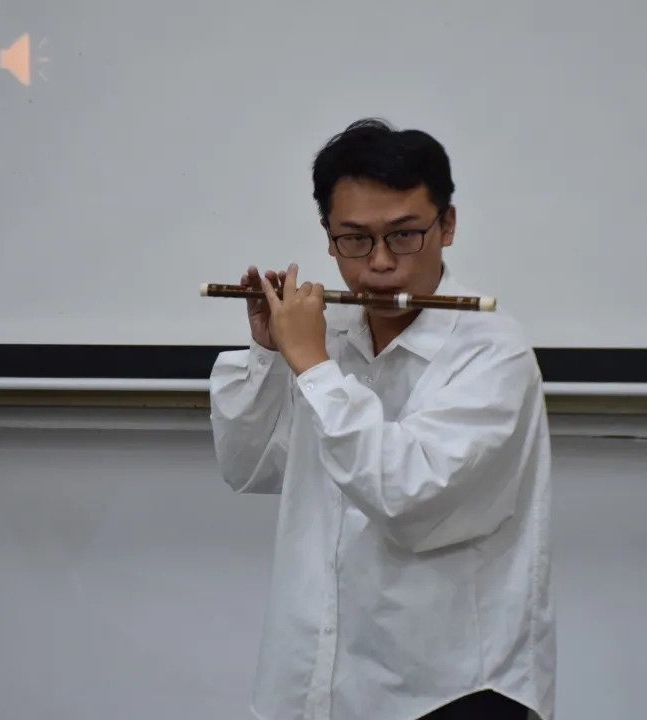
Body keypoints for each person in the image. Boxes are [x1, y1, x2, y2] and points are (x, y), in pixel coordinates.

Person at [209, 118, 554, 720]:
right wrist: (268, 351)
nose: (380, 263)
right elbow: (248, 466)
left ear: (447, 224)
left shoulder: (493, 354)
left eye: (405, 235)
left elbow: (405, 495)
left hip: (448, 692)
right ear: (327, 236)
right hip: (314, 679)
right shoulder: (328, 335)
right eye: (355, 240)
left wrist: (313, 366)